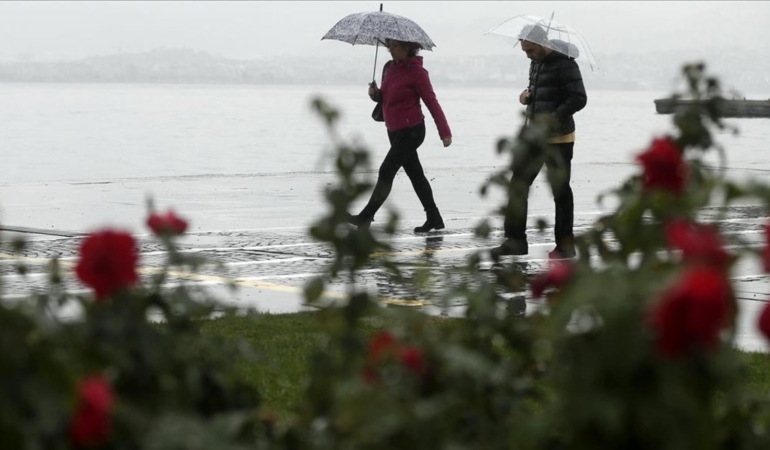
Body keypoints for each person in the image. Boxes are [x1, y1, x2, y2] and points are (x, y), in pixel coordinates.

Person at [495, 24, 587, 259]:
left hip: (560, 139)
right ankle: (515, 241)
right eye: (525, 51)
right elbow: (540, 91)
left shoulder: (566, 64)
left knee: (560, 192)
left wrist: (552, 118)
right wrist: (526, 96)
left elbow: (579, 98)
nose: (527, 55)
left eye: (530, 50)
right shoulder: (535, 63)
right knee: (518, 185)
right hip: (534, 137)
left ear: (542, 43)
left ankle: (566, 246)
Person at [346, 38, 453, 233]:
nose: (391, 50)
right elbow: (385, 98)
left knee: (386, 170)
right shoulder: (389, 68)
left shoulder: (417, 72)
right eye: (389, 46)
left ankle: (366, 216)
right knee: (416, 175)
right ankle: (434, 217)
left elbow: (432, 102)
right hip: (393, 131)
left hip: (412, 131)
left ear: (408, 48)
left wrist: (444, 132)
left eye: (395, 46)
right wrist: (375, 94)